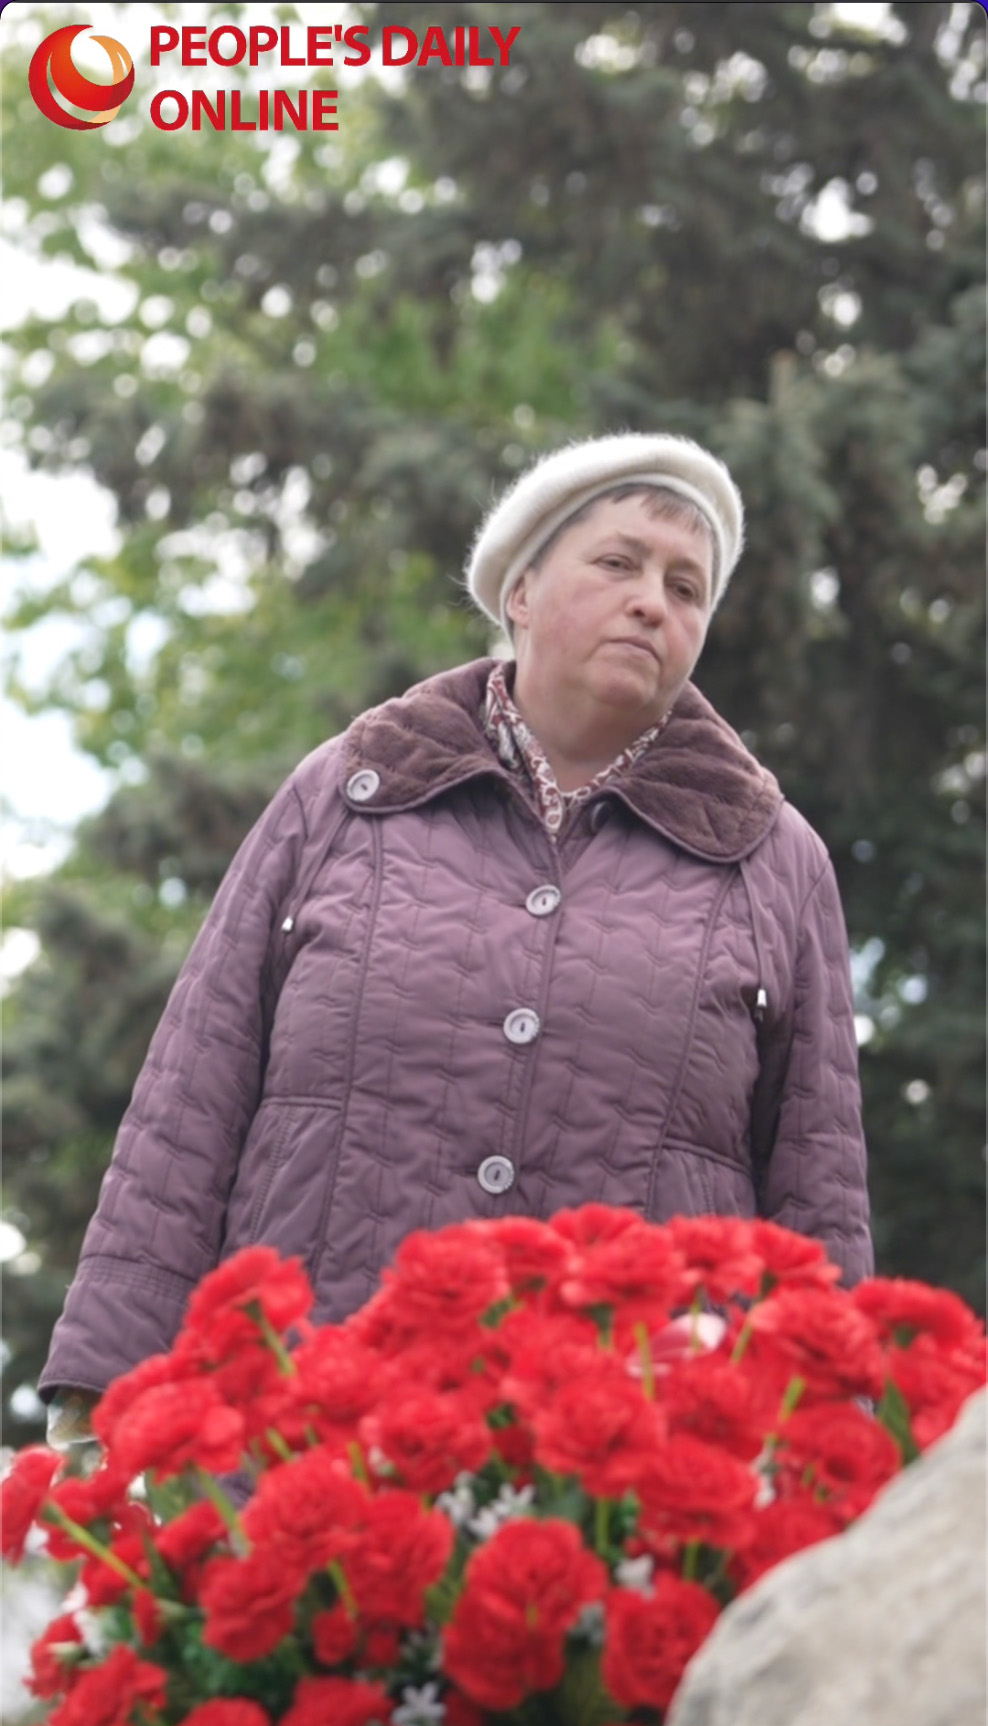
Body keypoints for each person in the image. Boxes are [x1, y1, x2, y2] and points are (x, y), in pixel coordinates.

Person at [40, 432, 873, 1445]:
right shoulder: (344, 792)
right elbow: (190, 1099)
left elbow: (817, 1187)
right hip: (301, 1431)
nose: (653, 600)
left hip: (617, 1470)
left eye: (687, 586)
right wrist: (102, 1381)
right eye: (617, 563)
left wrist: (832, 1441)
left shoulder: (773, 859)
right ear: (518, 591)